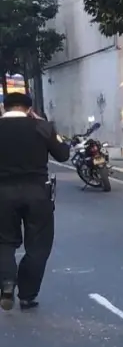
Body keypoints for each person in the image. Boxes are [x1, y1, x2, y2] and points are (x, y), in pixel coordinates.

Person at [0, 91, 71, 310]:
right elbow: (63, 155)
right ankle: (28, 295)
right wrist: (47, 128)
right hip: (38, 193)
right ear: (29, 109)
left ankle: (7, 283)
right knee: (38, 245)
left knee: (3, 242)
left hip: (2, 192)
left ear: (4, 107)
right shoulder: (42, 127)